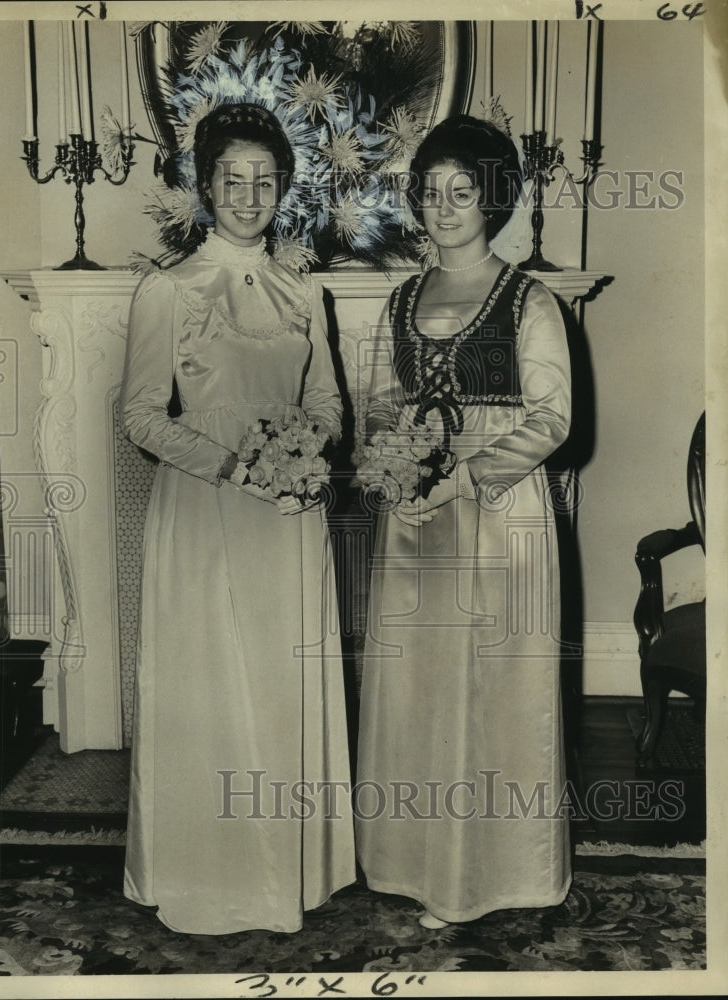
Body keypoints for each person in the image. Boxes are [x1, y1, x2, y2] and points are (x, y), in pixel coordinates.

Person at [121, 102, 355, 935]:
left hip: (289, 515)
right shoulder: (169, 288)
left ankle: (285, 876)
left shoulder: (306, 289)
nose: (250, 194)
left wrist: (307, 449)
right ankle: (208, 875)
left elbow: (325, 398)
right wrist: (234, 466)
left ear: (283, 186)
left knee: (282, 684)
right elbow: (142, 417)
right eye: (233, 178)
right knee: (211, 689)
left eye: (266, 179)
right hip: (206, 508)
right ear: (205, 185)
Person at [355, 115, 573, 929]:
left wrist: (463, 476)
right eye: (431, 192)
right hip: (415, 520)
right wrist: (393, 467)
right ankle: (413, 864)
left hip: (495, 517)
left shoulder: (530, 298)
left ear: (493, 199)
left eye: (462, 191)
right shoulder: (402, 298)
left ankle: (497, 875)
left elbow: (553, 419)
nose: (444, 207)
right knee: (419, 688)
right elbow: (380, 402)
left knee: (492, 688)